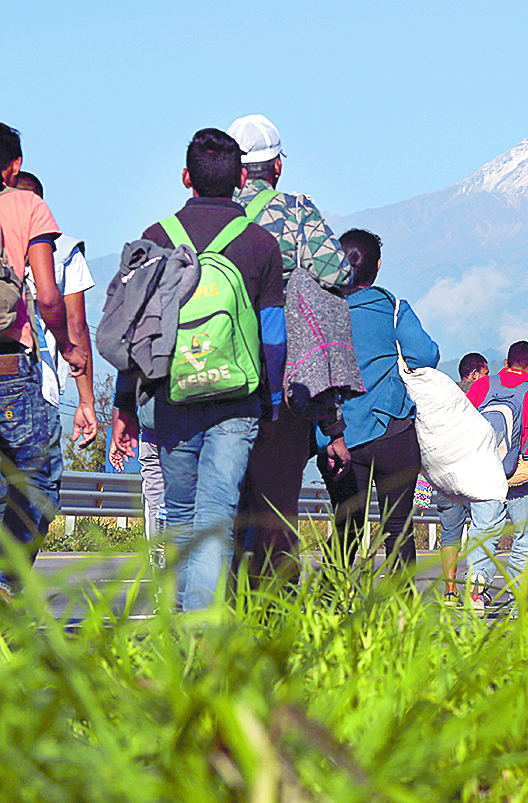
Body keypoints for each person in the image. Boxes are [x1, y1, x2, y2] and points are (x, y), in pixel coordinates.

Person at [110, 128, 285, 611]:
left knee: (182, 515)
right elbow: (273, 336)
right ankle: (201, 634)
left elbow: (138, 330)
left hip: (172, 396)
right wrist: (270, 408)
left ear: (186, 177)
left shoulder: (156, 238)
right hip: (236, 402)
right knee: (216, 517)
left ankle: (184, 629)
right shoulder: (259, 244)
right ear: (239, 180)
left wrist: (125, 403)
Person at [226, 113, 356, 584]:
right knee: (275, 509)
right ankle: (269, 620)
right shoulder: (296, 210)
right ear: (275, 167)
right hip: (278, 378)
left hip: (210, 375)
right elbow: (338, 273)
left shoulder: (209, 215)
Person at [315, 229, 439, 569]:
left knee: (347, 526)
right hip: (393, 430)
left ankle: (327, 605)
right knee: (398, 527)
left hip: (339, 435)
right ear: (379, 266)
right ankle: (401, 612)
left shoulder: (322, 314)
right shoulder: (393, 307)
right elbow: (425, 356)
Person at [0, 123, 86, 596]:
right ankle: (8, 583)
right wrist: (68, 348)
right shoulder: (26, 204)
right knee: (38, 480)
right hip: (10, 369)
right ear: (14, 165)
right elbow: (49, 297)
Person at [12, 171, 97, 498]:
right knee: (37, 491)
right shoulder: (64, 251)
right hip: (38, 385)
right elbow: (77, 325)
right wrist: (86, 401)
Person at [464, 341, 528, 614]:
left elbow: (465, 426)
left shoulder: (481, 386)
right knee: (525, 535)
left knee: (484, 532)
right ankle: (521, 602)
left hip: (485, 471)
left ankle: (477, 591)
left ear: (506, 363)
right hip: (522, 474)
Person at [433, 352, 489, 602]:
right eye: (485, 373)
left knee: (449, 534)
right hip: (475, 473)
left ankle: (450, 591)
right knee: (482, 529)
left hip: (445, 473)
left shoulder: (443, 395)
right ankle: (476, 591)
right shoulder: (483, 395)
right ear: (475, 373)